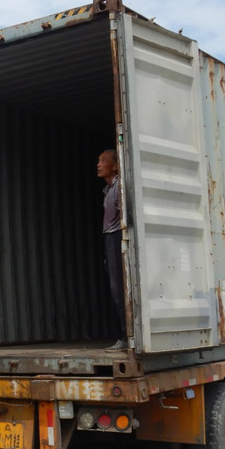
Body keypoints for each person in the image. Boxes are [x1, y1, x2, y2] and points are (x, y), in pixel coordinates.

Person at [97, 149, 127, 350]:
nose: (98, 164)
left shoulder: (118, 188)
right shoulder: (108, 190)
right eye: (98, 161)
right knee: (114, 289)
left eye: (103, 160)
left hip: (116, 237)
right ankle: (123, 336)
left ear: (115, 166)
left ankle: (125, 337)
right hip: (109, 238)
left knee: (119, 290)